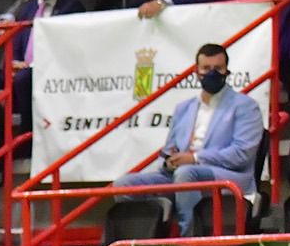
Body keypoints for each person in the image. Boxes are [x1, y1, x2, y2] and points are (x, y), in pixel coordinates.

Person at [110, 43, 263, 231]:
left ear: (227, 71)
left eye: (218, 68)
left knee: (186, 173)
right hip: (181, 175)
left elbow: (241, 154)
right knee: (124, 185)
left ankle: (189, 239)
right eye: (206, 68)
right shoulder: (183, 108)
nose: (212, 73)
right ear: (196, 71)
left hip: (228, 176)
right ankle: (141, 245)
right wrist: (170, 162)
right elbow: (168, 151)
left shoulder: (246, 106)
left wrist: (195, 159)